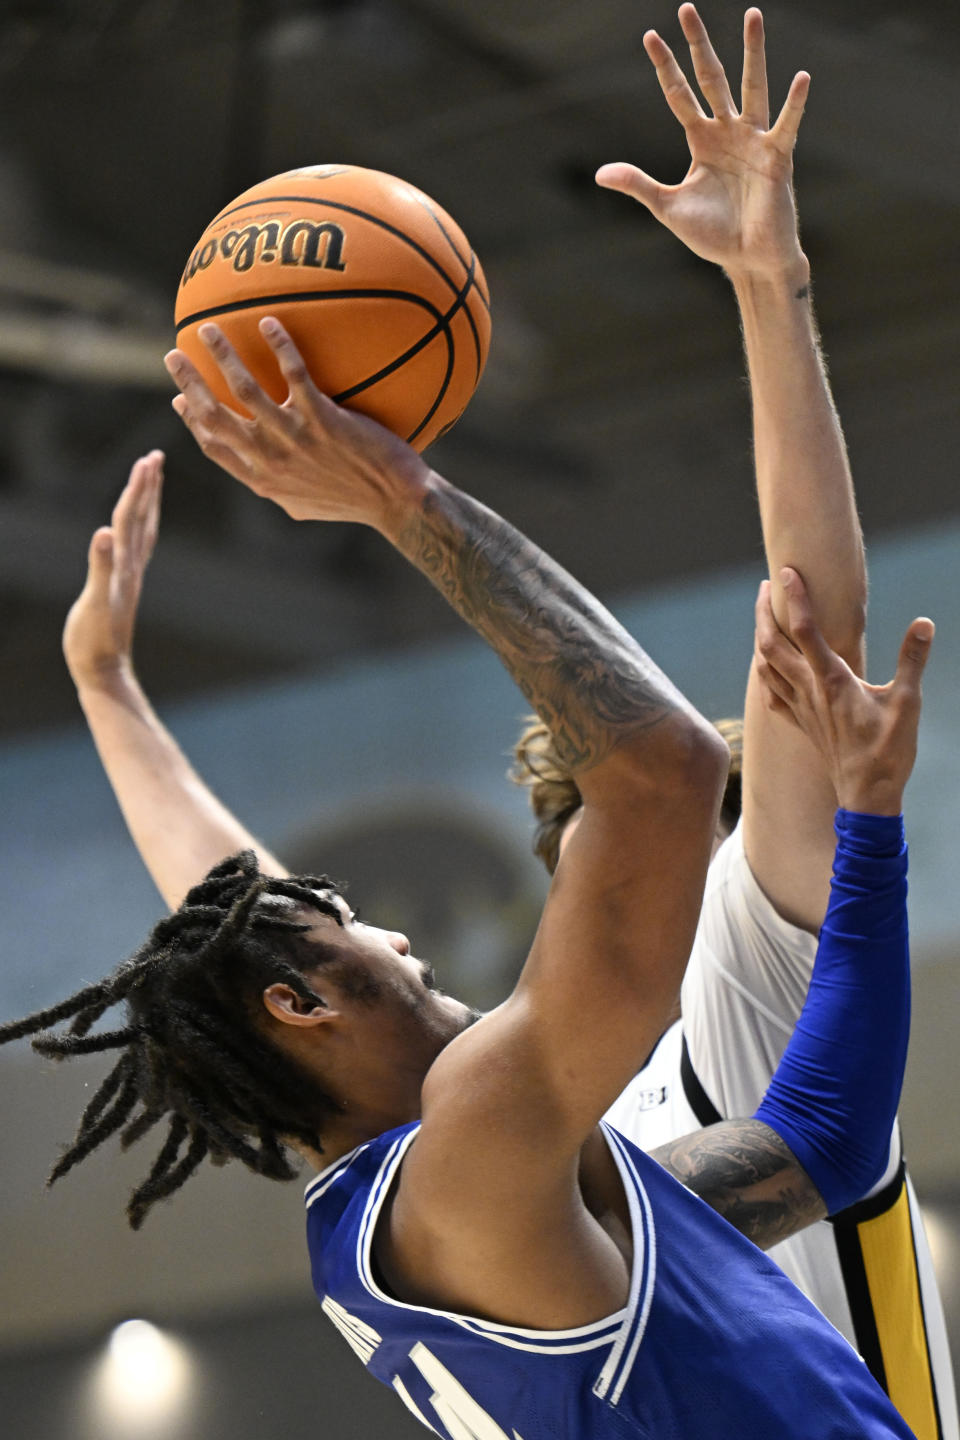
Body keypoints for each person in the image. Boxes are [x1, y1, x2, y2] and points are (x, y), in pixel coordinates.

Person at [0, 399, 933, 1437]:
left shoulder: (441, 1207)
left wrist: (109, 692)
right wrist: (404, 498)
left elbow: (826, 1142)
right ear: (302, 1004)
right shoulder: (474, 1154)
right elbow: (668, 772)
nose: (400, 940)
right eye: (356, 924)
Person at [511, 8, 956, 1435]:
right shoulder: (553, 1101)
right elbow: (266, 949)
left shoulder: (744, 969)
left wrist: (770, 285)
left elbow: (808, 617)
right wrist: (107, 689)